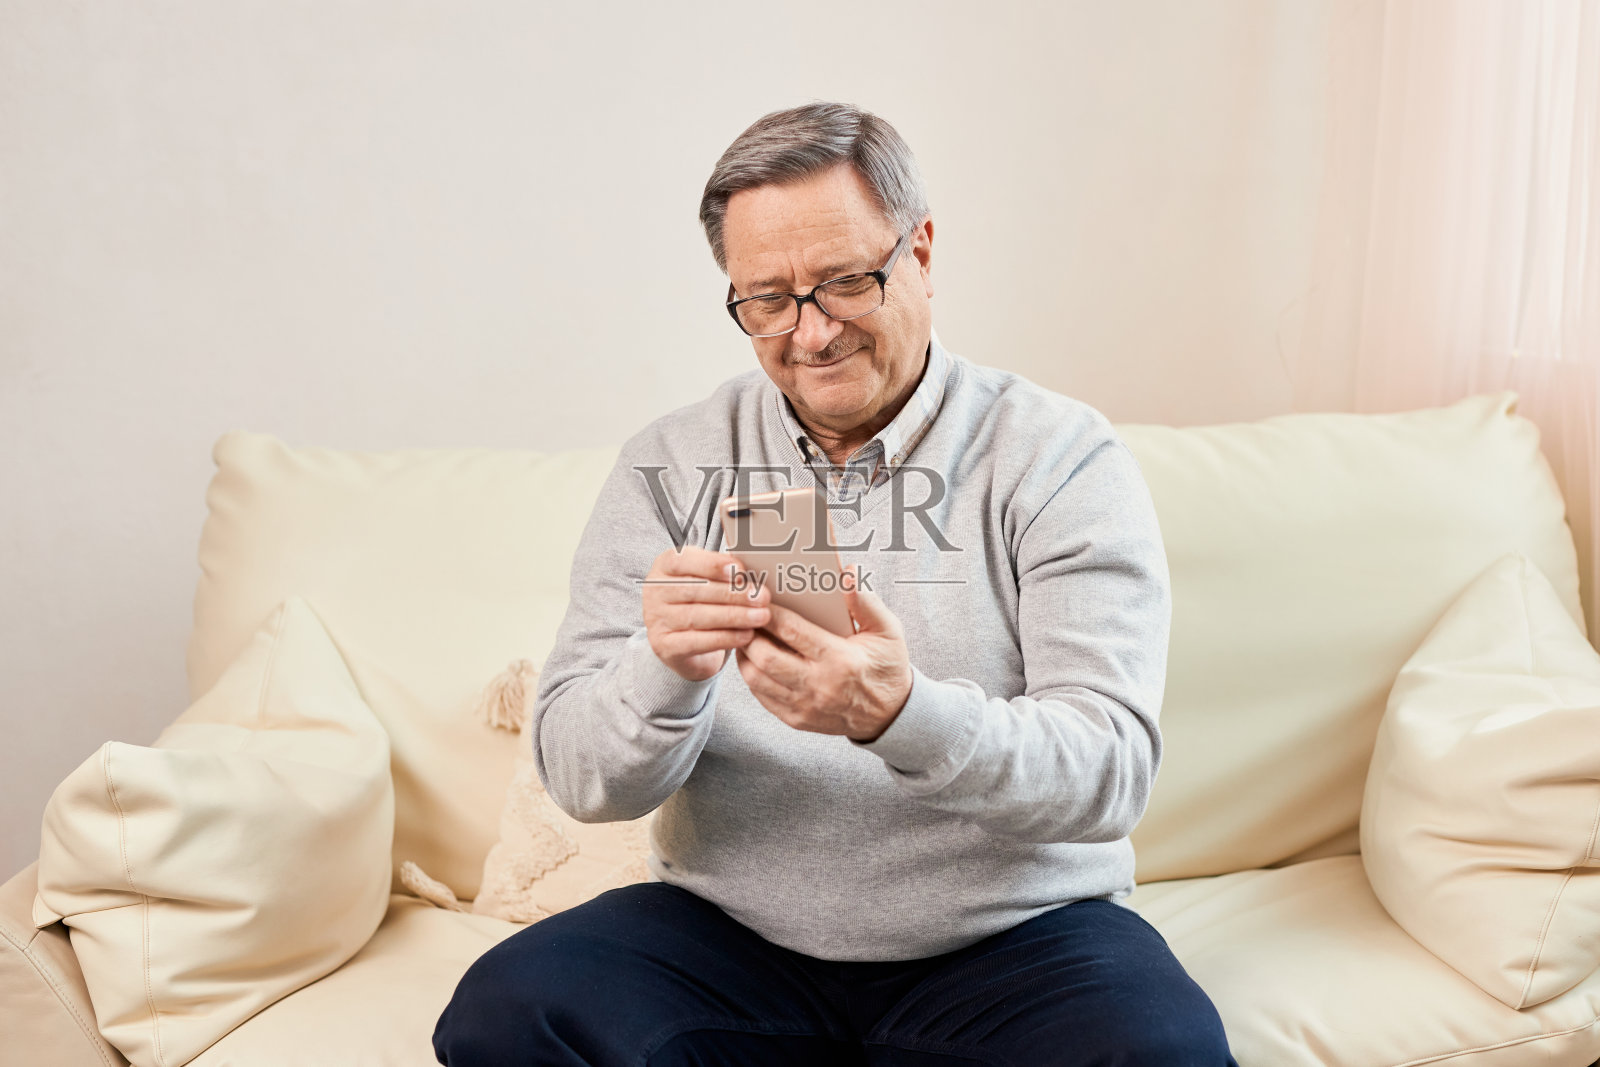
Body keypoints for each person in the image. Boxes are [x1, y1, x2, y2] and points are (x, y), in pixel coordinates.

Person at [434, 101, 1237, 1066]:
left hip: (1015, 940)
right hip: (733, 940)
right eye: (767, 300)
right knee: (508, 1010)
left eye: (845, 282)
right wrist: (665, 669)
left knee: (1160, 1049)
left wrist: (901, 713)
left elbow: (1108, 774)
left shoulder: (1058, 457)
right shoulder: (674, 463)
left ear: (923, 253)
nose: (810, 335)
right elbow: (578, 778)